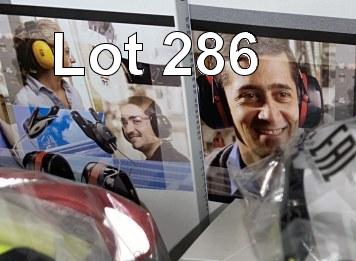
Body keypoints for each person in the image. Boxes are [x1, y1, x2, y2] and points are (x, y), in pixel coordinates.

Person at [205, 38, 301, 202]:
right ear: (221, 108)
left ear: (302, 101)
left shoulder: (334, 179)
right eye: (249, 96)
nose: (270, 115)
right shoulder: (200, 180)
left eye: (282, 94)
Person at [13, 19, 85, 111]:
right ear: (46, 55)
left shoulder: (73, 92)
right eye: (67, 52)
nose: (73, 60)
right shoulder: (24, 101)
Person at [120, 95, 188, 162]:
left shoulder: (173, 163)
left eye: (136, 121)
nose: (128, 130)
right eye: (125, 123)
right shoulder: (155, 162)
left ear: (156, 123)